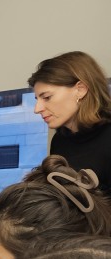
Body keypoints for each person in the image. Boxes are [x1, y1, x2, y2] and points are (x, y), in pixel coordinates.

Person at [28, 51, 111, 194]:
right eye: (37, 99)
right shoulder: (59, 140)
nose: (37, 109)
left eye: (46, 97)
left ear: (80, 89)